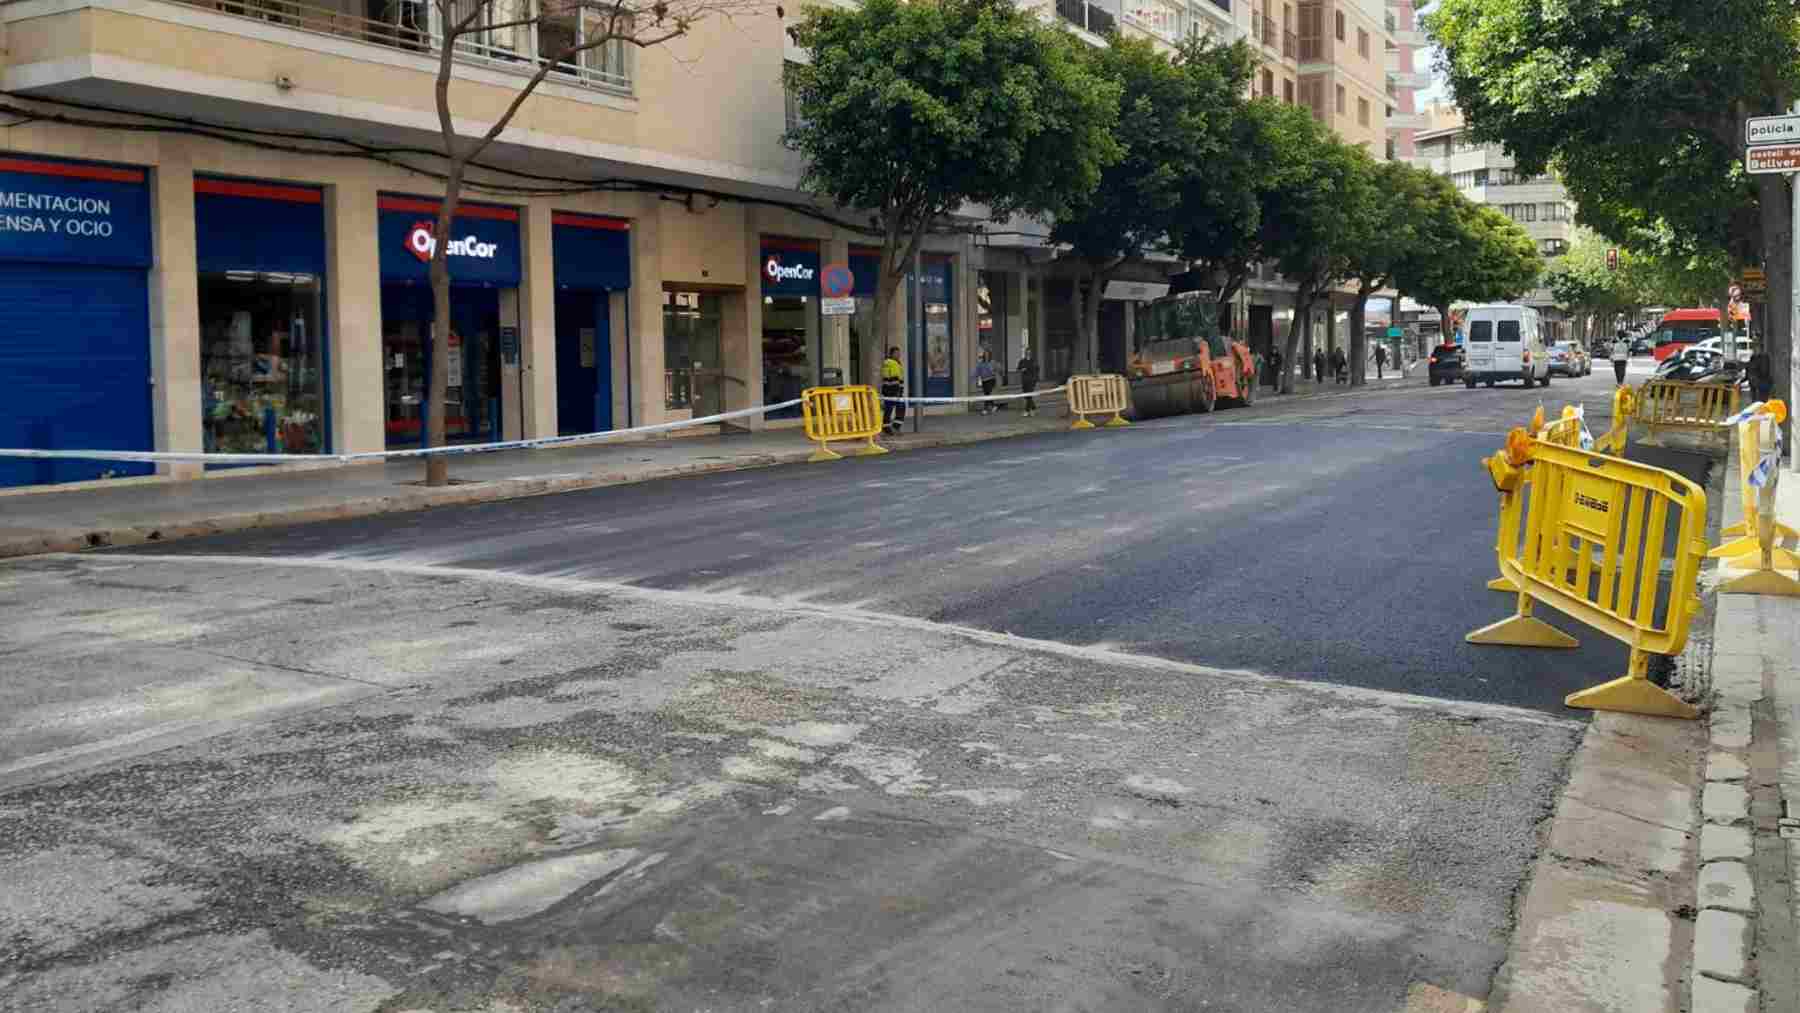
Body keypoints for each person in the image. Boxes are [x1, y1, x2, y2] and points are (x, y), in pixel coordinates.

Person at [881, 347, 905, 434]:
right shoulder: (891, 363)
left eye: (899, 353)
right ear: (891, 354)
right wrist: (897, 392)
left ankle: (891, 427)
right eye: (896, 353)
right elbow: (894, 378)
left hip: (894, 390)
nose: (898, 355)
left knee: (892, 408)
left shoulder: (896, 363)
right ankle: (891, 427)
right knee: (891, 408)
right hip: (892, 390)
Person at [1017, 351, 1039, 417]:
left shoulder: (1033, 361)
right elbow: (1018, 368)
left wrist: (1035, 379)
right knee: (1026, 396)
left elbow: (1037, 369)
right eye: (1027, 352)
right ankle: (1033, 408)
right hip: (1024, 381)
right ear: (1025, 353)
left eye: (1029, 353)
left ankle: (1027, 411)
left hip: (1032, 381)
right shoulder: (1022, 361)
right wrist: (1022, 369)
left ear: (1031, 354)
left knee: (1029, 395)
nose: (1028, 354)